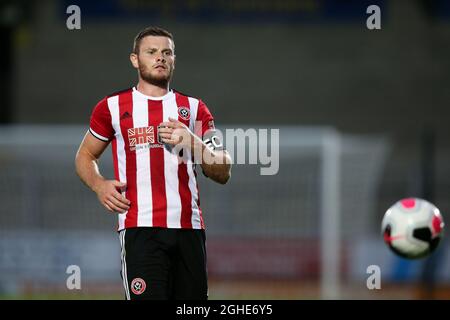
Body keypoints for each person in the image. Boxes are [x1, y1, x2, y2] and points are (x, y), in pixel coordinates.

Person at [75, 26, 232, 300]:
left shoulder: (194, 108)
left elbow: (223, 169)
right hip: (140, 230)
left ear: (173, 60)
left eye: (166, 52)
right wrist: (98, 185)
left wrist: (194, 143)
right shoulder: (111, 107)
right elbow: (84, 156)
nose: (160, 57)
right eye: (151, 52)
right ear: (135, 59)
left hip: (189, 230)